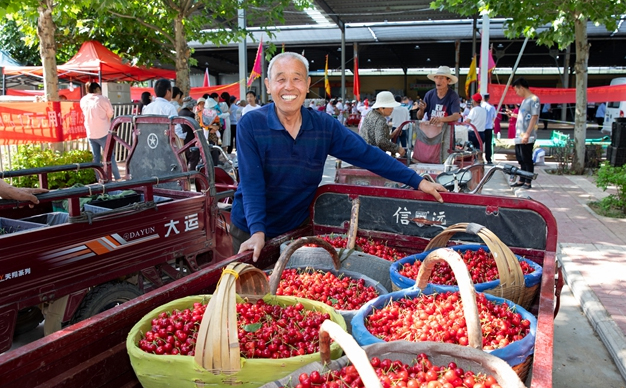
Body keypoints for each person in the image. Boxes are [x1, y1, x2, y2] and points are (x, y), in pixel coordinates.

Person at [231, 52, 447, 261]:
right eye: (281, 79)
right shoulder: (251, 124)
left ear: (307, 85)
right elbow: (252, 182)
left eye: (296, 79)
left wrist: (417, 181)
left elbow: (367, 154)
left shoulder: (324, 126)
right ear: (269, 85)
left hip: (295, 228)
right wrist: (257, 231)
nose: (289, 86)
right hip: (250, 230)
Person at [80, 82, 121, 180]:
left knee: (96, 158)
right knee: (109, 157)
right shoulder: (103, 99)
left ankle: (100, 178)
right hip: (104, 131)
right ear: (97, 89)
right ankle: (117, 178)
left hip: (90, 132)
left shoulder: (83, 100)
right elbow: (110, 114)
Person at [507, 77, 539, 190]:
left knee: (526, 158)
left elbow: (534, 117)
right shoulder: (524, 101)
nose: (516, 92)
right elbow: (525, 117)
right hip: (519, 135)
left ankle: (528, 181)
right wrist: (514, 115)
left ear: (521, 88)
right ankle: (521, 179)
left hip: (526, 135)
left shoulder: (534, 99)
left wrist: (527, 133)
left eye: (516, 90)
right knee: (520, 158)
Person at [361, 91, 406, 156]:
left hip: (365, 152)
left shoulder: (370, 114)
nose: (392, 109)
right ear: (381, 108)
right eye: (390, 107)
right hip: (373, 155)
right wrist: (397, 148)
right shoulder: (380, 120)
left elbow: (377, 137)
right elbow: (380, 141)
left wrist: (392, 134)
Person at [178, 96, 200, 171]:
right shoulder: (191, 114)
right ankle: (191, 177)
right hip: (190, 141)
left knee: (184, 161)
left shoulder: (179, 112)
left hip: (181, 141)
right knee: (193, 160)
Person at [481, 93, 496, 164]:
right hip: (489, 127)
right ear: (488, 98)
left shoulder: (481, 107)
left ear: (482, 98)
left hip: (481, 127)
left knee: (480, 143)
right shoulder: (491, 107)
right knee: (488, 144)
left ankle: (479, 158)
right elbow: (494, 118)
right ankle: (488, 159)